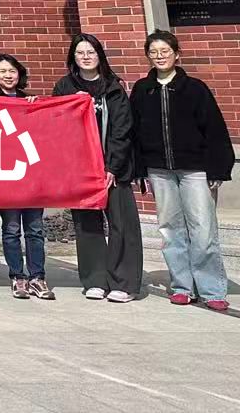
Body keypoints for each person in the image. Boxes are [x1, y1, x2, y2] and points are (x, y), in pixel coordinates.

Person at [131, 29, 234, 311]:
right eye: (153, 52)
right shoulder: (142, 89)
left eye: (165, 51)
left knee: (203, 228)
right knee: (170, 229)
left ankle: (211, 289)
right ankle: (182, 286)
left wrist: (218, 168)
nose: (159, 56)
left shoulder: (195, 89)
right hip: (159, 170)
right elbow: (134, 132)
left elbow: (214, 129)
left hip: (195, 169)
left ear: (177, 54)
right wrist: (139, 168)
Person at [54, 32, 141, 303]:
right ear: (73, 58)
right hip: (81, 170)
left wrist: (112, 167)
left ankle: (123, 282)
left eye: (91, 52)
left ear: (99, 55)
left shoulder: (113, 87)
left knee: (121, 224)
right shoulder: (65, 87)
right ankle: (95, 279)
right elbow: (55, 125)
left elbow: (122, 130)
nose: (86, 57)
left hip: (114, 169)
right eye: (80, 53)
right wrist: (72, 106)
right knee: (87, 226)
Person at [0, 52, 52, 300]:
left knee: (35, 229)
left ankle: (38, 277)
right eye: (2, 71)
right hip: (5, 175)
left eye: (12, 71)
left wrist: (36, 107)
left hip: (31, 175)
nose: (8, 75)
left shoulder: (29, 101)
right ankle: (17, 276)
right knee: (12, 229)